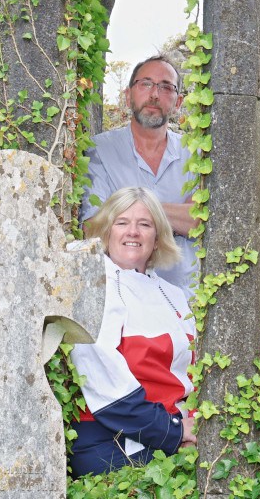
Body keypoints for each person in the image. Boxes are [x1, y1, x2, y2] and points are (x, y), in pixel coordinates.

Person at [69, 187, 196, 477]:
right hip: (111, 440)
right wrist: (174, 433)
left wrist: (196, 426)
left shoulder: (172, 294)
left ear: (157, 237)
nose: (133, 232)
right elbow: (105, 388)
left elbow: (192, 374)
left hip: (174, 426)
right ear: (106, 231)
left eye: (145, 224)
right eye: (122, 222)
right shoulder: (93, 284)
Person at [81, 55, 197, 296]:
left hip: (188, 301)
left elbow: (200, 222)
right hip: (122, 298)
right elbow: (92, 227)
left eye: (166, 87)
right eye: (145, 84)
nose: (154, 94)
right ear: (128, 95)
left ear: (178, 102)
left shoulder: (196, 154)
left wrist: (123, 216)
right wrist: (175, 219)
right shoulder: (99, 151)